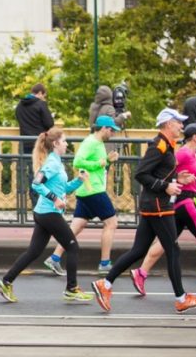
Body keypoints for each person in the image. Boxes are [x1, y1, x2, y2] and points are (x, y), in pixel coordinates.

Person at [92, 108, 196, 314]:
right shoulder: (160, 145)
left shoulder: (168, 145)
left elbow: (158, 173)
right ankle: (181, 298)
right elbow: (141, 174)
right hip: (158, 206)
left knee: (139, 250)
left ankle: (106, 284)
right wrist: (166, 187)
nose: (181, 126)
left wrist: (176, 179)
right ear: (167, 124)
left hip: (154, 204)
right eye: (178, 122)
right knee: (173, 250)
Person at [0, 128, 92, 303]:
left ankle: (5, 281)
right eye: (64, 141)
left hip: (43, 213)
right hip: (49, 214)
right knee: (72, 247)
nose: (67, 143)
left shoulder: (57, 162)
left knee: (34, 252)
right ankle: (71, 289)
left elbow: (63, 189)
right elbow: (36, 184)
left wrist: (79, 181)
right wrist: (54, 199)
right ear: (55, 144)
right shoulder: (51, 164)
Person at [133, 123, 196, 295]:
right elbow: (168, 169)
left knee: (167, 242)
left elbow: (189, 174)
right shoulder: (183, 152)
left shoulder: (195, 153)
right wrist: (166, 184)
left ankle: (141, 273)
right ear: (194, 136)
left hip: (182, 201)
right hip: (185, 201)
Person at [44, 115, 120, 276]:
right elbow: (77, 162)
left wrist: (107, 161)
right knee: (111, 223)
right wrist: (101, 162)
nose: (113, 133)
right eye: (112, 130)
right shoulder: (91, 142)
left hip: (86, 190)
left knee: (76, 226)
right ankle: (105, 263)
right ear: (104, 128)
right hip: (93, 190)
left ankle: (55, 258)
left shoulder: (96, 143)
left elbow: (99, 165)